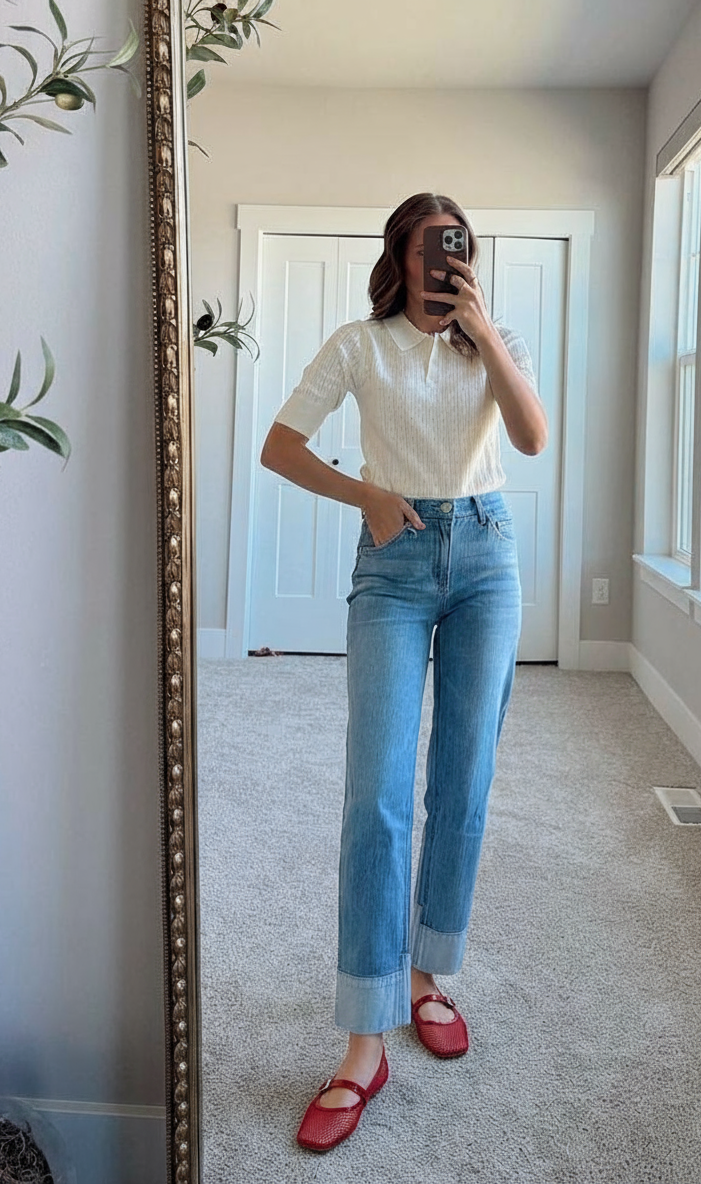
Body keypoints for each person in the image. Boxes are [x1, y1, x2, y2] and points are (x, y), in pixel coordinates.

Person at [260, 192, 548, 1152]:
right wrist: (367, 492)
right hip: (392, 561)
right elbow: (280, 446)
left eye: (458, 250)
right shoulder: (359, 344)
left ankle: (432, 976)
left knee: (463, 780)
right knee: (375, 794)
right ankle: (362, 1038)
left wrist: (481, 329)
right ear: (402, 254)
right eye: (431, 250)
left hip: (486, 554)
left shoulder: (490, 337)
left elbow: (532, 438)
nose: (444, 262)